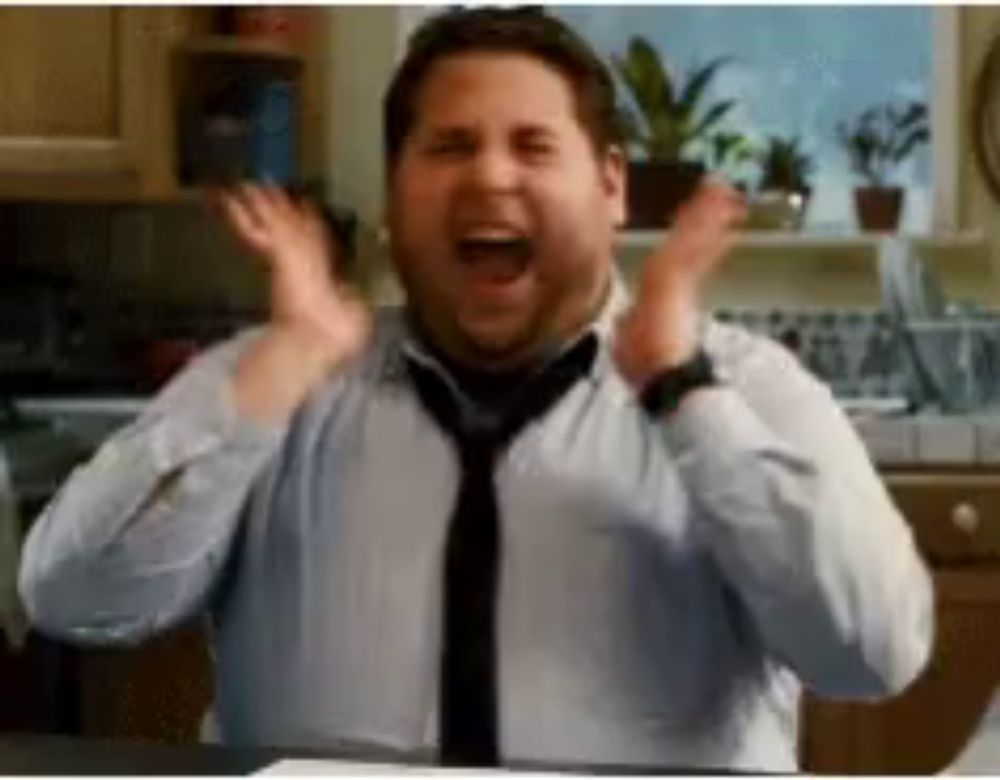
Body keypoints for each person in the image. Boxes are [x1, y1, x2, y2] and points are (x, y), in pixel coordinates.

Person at [19, 7, 932, 772]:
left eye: (533, 145)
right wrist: (272, 378)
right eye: (450, 146)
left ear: (612, 186)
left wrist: (683, 397)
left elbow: (870, 654)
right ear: (395, 192)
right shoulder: (278, 374)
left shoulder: (748, 389)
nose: (491, 175)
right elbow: (74, 598)